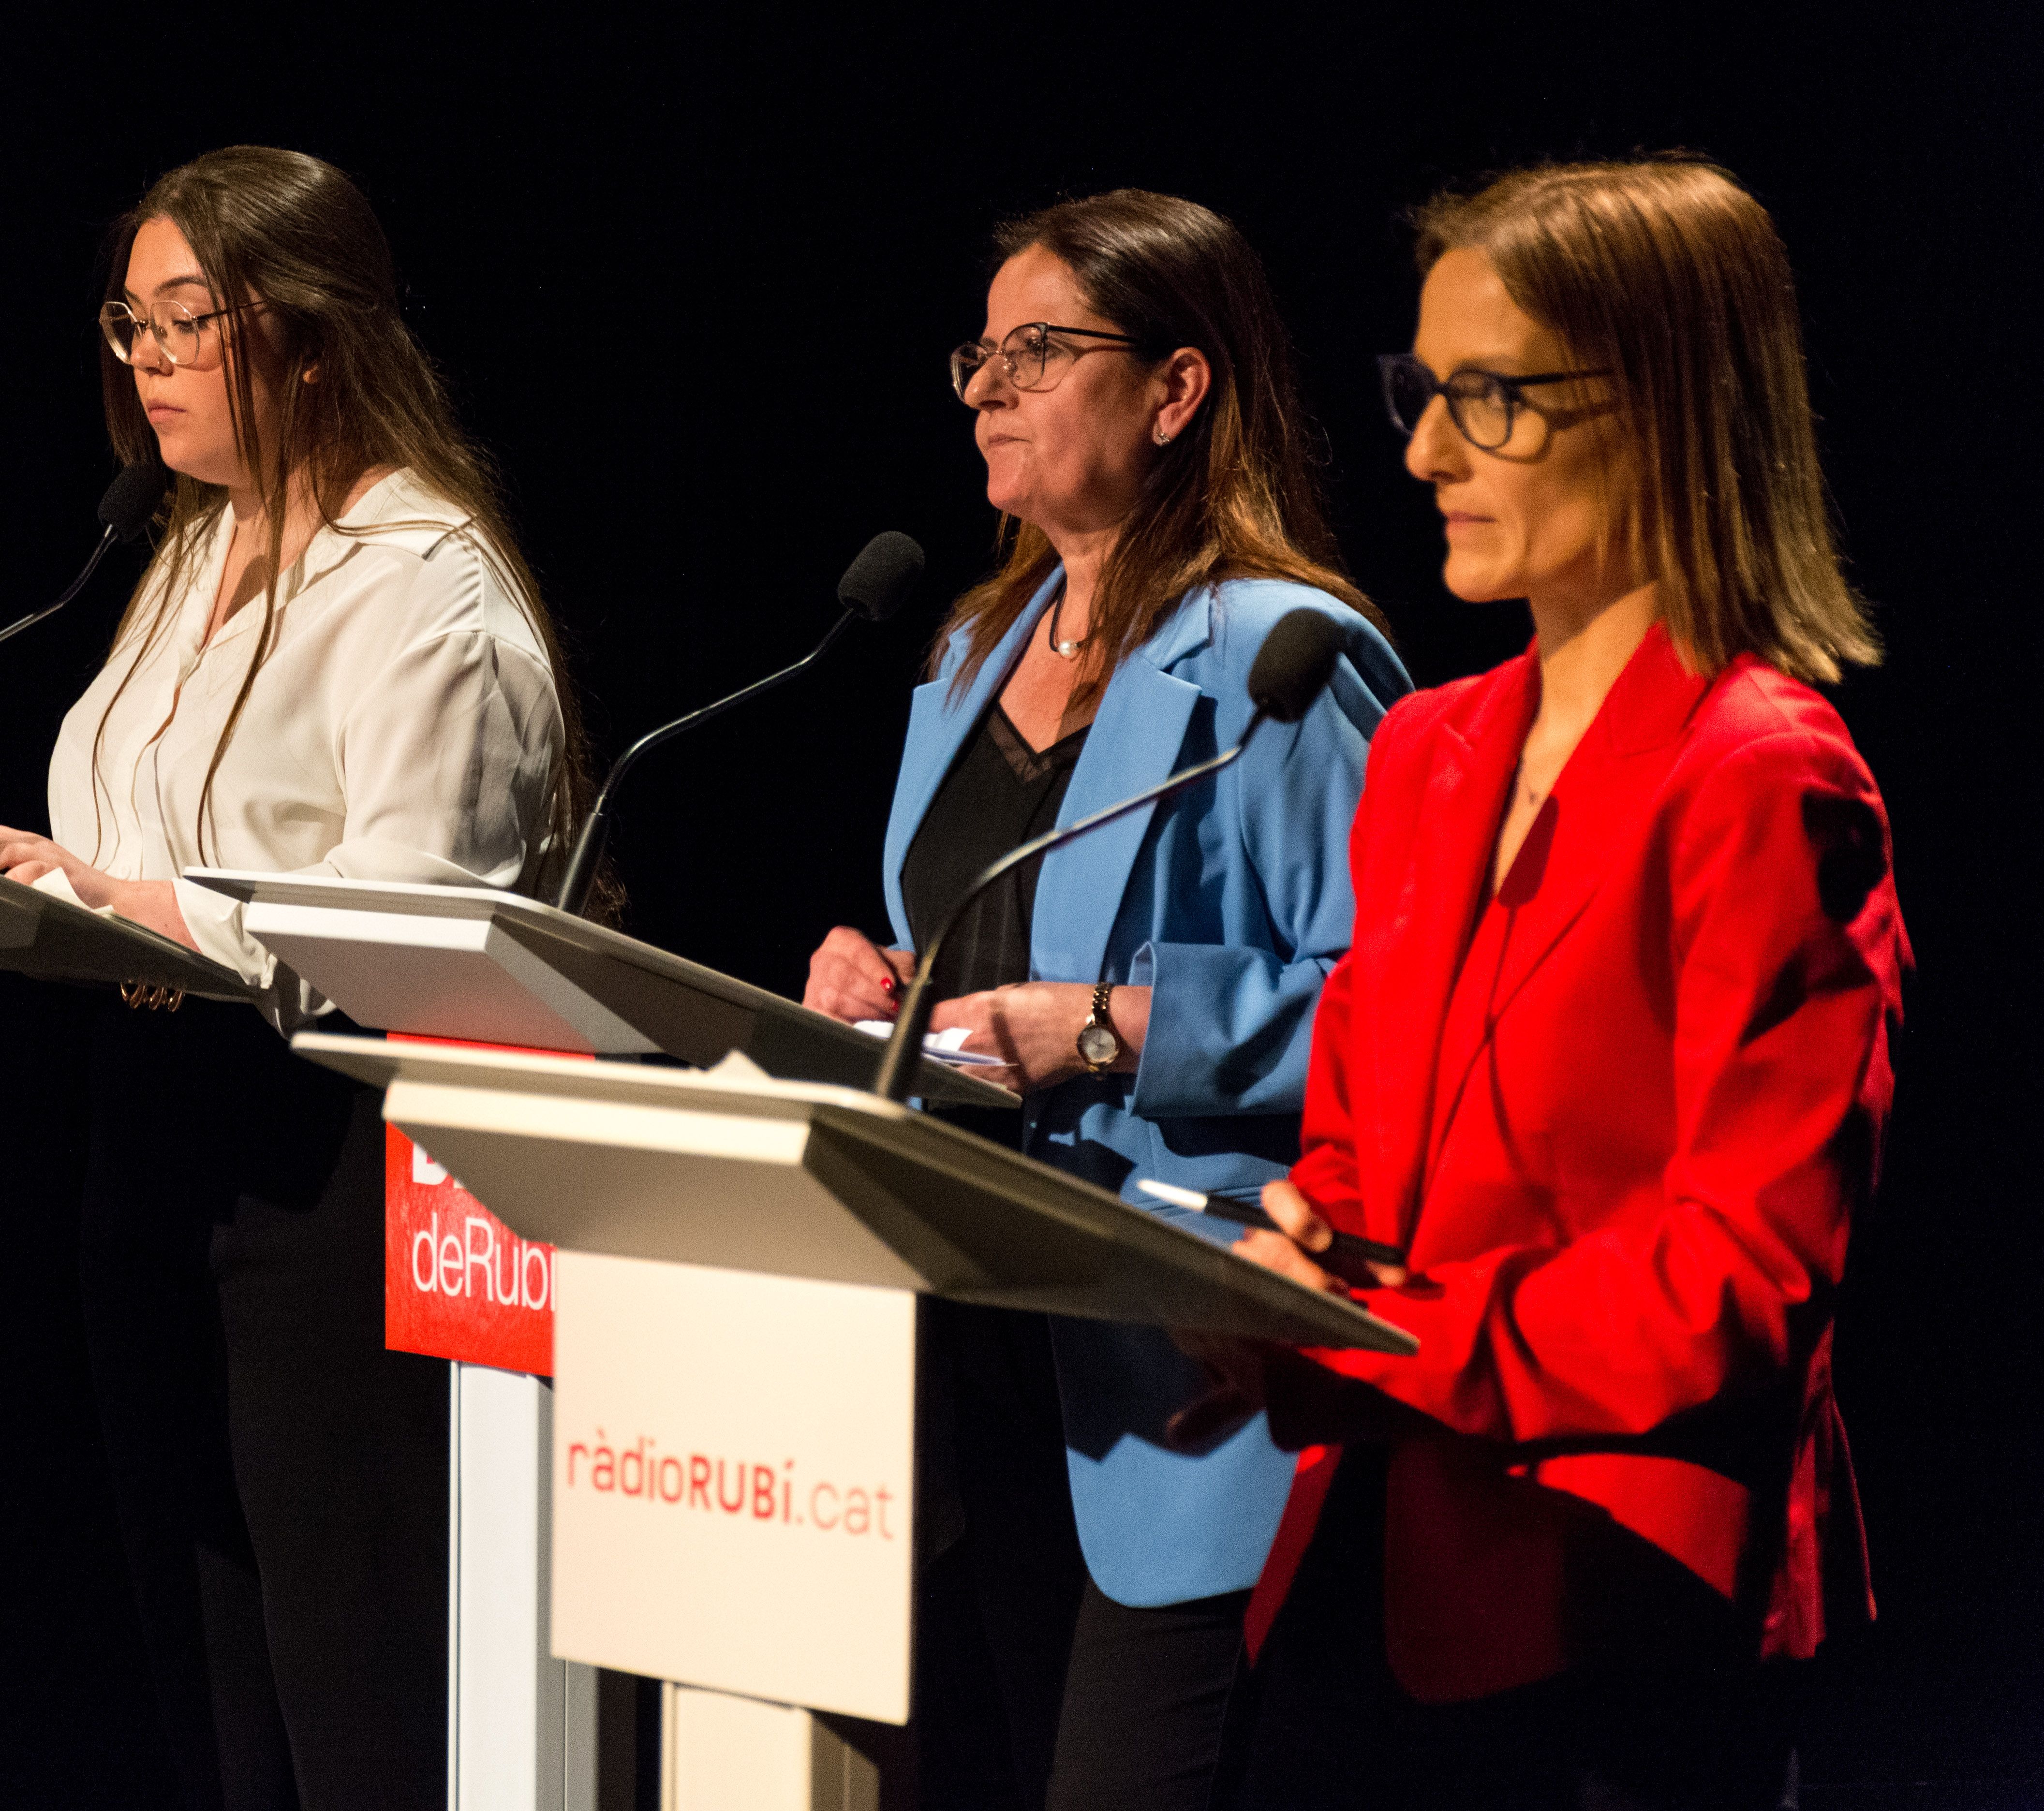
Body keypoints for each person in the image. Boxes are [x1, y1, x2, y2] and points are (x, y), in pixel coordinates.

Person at [1213, 159, 1909, 1809]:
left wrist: (1379, 1337)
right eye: (1419, 391)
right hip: (1367, 1575)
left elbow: (1738, 1280)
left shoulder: (1761, 772)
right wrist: (1297, 1239)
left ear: (1663, 406)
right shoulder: (1425, 745)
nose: (1423, 450)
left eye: (1487, 400)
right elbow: (1357, 1141)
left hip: (1613, 1627)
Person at [0, 147, 590, 1811]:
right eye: (129, 324)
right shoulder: (174, 546)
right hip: (152, 1139)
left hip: (330, 1162)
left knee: (352, 1671)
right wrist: (60, 883)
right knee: (210, 1664)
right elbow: (112, 815)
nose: (144, 362)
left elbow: (415, 916)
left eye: (185, 322)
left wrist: (136, 902)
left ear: (305, 335)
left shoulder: (421, 589)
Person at [804, 189, 1408, 1811]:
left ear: (1174, 389)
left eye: (1038, 351)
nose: (989, 387)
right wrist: (878, 979)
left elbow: (1397, 1015)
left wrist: (1105, 1027)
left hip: (1184, 1361)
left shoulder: (1279, 659)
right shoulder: (965, 651)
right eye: (979, 356)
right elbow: (976, 932)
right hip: (970, 1337)